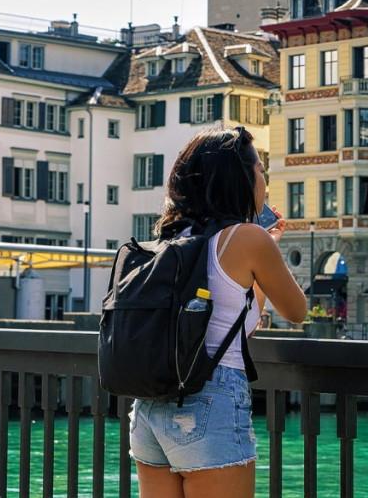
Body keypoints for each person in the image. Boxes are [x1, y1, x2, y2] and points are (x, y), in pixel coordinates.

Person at [129, 126, 306, 498]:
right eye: (260, 170)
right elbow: (296, 310)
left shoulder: (173, 239)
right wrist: (267, 247)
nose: (265, 182)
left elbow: (235, 323)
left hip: (150, 408)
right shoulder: (249, 238)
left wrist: (259, 264)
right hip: (211, 401)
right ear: (240, 178)